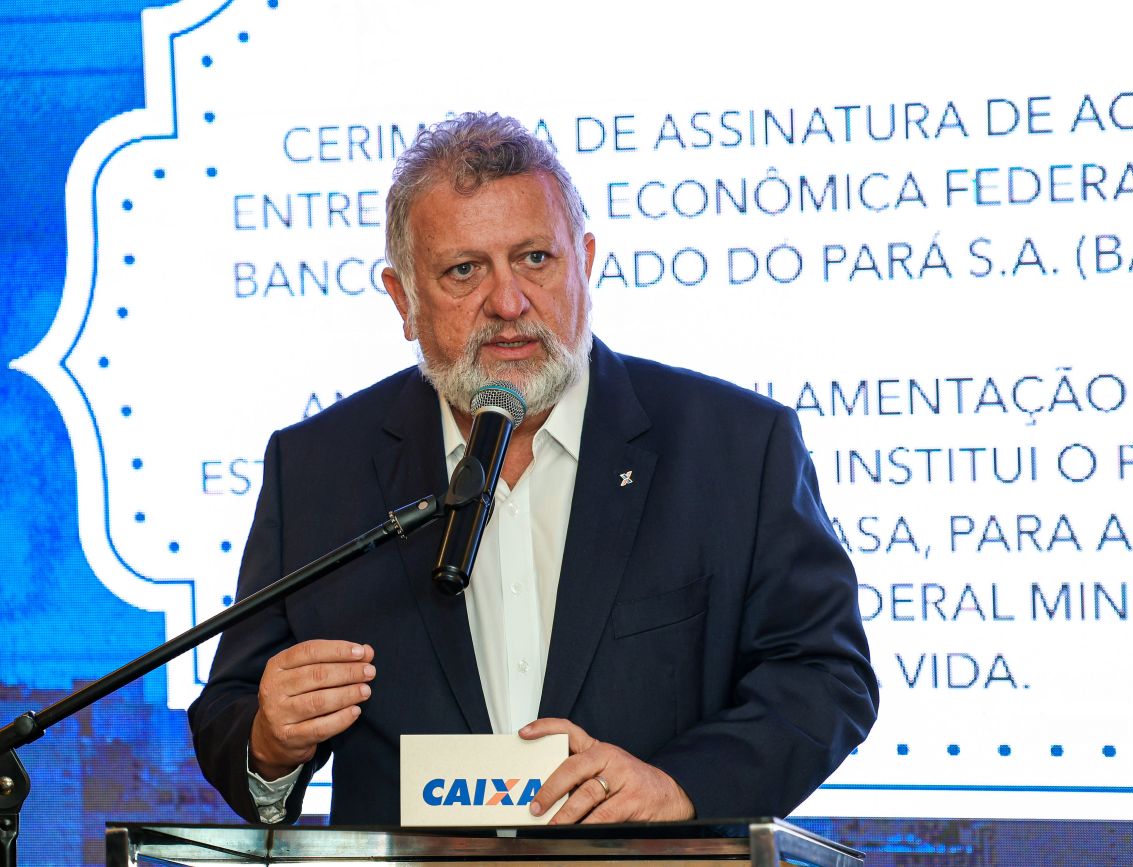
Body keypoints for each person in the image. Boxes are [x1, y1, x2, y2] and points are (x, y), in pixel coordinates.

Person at [189, 112, 878, 826]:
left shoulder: (736, 447)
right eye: (464, 270)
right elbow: (232, 712)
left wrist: (679, 787)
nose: (509, 302)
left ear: (585, 261)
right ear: (403, 299)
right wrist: (270, 742)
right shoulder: (318, 467)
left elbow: (824, 676)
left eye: (535, 259)